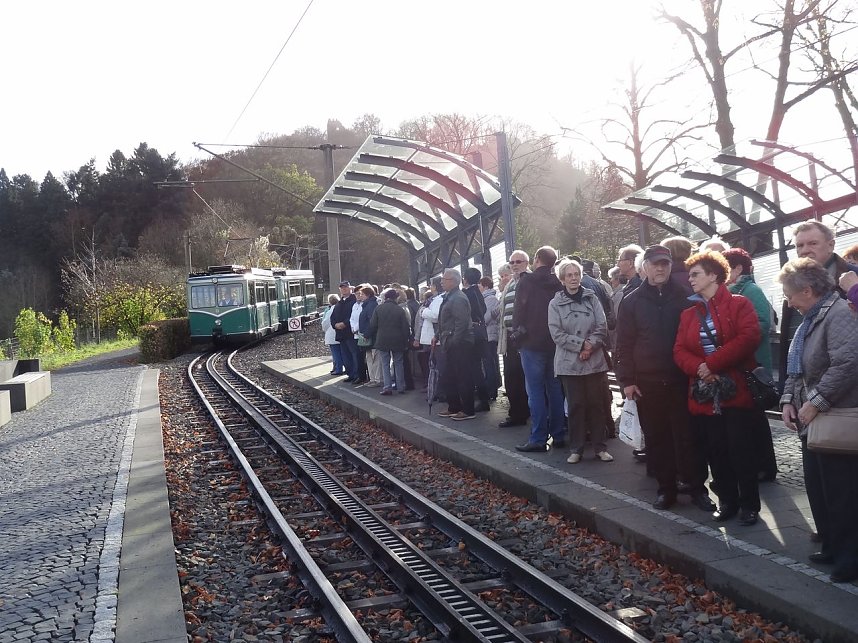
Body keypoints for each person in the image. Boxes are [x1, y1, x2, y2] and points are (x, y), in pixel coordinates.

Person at [615, 245, 714, 512]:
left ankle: (696, 488)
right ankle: (666, 489)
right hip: (647, 382)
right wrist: (627, 381)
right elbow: (623, 344)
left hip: (682, 379)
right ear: (644, 266)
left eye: (665, 264)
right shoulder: (632, 301)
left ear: (671, 266)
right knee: (657, 439)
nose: (660, 268)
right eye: (655, 264)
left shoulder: (685, 297)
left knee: (689, 437)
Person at [778, 258, 858, 582]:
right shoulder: (815, 317)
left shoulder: (838, 313)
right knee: (823, 489)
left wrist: (815, 403)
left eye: (790, 294)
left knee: (842, 493)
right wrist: (788, 400)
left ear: (807, 290)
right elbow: (799, 368)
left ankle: (849, 558)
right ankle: (833, 547)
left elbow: (848, 364)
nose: (788, 301)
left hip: (835, 417)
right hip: (817, 419)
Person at [674, 251, 762, 525]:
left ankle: (749, 504)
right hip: (704, 393)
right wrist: (700, 368)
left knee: (741, 449)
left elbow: (749, 337)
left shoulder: (739, 304)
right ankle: (728, 501)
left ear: (714, 275)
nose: (690, 279)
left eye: (695, 274)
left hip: (734, 390)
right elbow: (678, 350)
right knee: (716, 450)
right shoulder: (689, 314)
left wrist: (711, 364)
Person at [778, 221, 858, 387]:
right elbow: (790, 337)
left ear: (831, 245)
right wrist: (787, 390)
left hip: (848, 391)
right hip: (804, 385)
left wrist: (854, 290)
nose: (804, 250)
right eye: (799, 245)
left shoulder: (853, 277)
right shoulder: (791, 279)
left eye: (812, 243)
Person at [548, 258, 613, 463]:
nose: (574, 278)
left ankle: (600, 447)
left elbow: (601, 326)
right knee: (575, 405)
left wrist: (589, 346)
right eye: (569, 275)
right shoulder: (555, 303)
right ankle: (576, 448)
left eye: (576, 274)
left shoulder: (592, 298)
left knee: (596, 404)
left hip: (593, 360)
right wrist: (580, 346)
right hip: (569, 362)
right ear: (562, 279)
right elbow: (556, 333)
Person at [723, 248, 777, 482]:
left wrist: (735, 342)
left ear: (737, 269)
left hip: (753, 366)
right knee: (747, 420)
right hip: (739, 367)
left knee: (756, 420)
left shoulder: (751, 290)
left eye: (725, 267)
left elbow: (762, 323)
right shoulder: (730, 292)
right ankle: (754, 464)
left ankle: (766, 467)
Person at [512, 246, 565, 452]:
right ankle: (559, 434)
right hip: (554, 343)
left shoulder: (526, 281)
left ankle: (538, 438)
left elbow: (519, 311)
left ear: (536, 260)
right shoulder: (557, 283)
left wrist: (517, 338)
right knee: (554, 390)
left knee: (534, 391)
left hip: (531, 343)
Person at [436, 268, 476, 420]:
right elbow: (445, 321)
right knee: (450, 375)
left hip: (460, 343)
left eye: (443, 279)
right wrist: (437, 336)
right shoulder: (450, 296)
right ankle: (454, 407)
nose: (441, 282)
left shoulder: (458, 298)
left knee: (463, 376)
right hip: (451, 341)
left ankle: (467, 410)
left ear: (453, 281)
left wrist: (454, 341)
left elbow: (461, 322)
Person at [496, 253, 530, 428]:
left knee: (525, 377)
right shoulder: (510, 284)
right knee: (511, 376)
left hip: (524, 337)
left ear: (526, 263)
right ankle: (516, 412)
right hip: (509, 337)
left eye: (518, 262)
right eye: (512, 263)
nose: (515, 265)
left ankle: (524, 412)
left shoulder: (529, 281)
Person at [369, 288, 411, 395]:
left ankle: (387, 387)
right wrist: (406, 340)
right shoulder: (400, 310)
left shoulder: (378, 309)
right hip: (398, 340)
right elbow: (405, 327)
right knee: (398, 363)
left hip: (382, 339)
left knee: (385, 364)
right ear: (396, 298)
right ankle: (401, 386)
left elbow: (373, 325)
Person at [462, 267, 490, 411]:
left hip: (470, 333)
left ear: (465, 279)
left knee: (473, 368)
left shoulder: (466, 294)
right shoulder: (478, 292)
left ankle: (481, 399)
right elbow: (483, 310)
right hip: (480, 332)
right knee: (478, 367)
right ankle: (484, 398)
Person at [330, 281, 359, 382]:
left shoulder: (354, 301)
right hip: (341, 334)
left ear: (350, 288)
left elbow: (354, 316)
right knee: (345, 356)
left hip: (351, 333)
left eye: (345, 287)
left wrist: (345, 323)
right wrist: (335, 325)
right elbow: (332, 317)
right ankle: (350, 374)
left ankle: (357, 375)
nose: (344, 289)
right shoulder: (339, 303)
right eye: (342, 288)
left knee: (354, 354)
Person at [479, 275, 501, 401]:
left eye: (480, 286)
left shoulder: (490, 298)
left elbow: (486, 317)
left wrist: (479, 321)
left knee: (490, 363)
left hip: (489, 335)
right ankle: (492, 387)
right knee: (489, 362)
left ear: (486, 286)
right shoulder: (487, 298)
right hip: (488, 334)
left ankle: (491, 389)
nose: (479, 288)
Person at [356, 285, 379, 387]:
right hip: (367, 335)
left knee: (374, 358)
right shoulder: (367, 305)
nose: (360, 296)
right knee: (369, 357)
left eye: (362, 294)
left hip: (371, 336)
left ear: (368, 295)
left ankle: (376, 379)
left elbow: (372, 321)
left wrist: (367, 333)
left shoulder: (370, 305)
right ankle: (372, 378)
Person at [321, 294, 343, 376]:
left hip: (331, 335)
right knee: (341, 353)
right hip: (340, 333)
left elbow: (325, 323)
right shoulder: (340, 309)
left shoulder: (330, 311)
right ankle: (340, 368)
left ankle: (338, 369)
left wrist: (324, 329)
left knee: (335, 353)